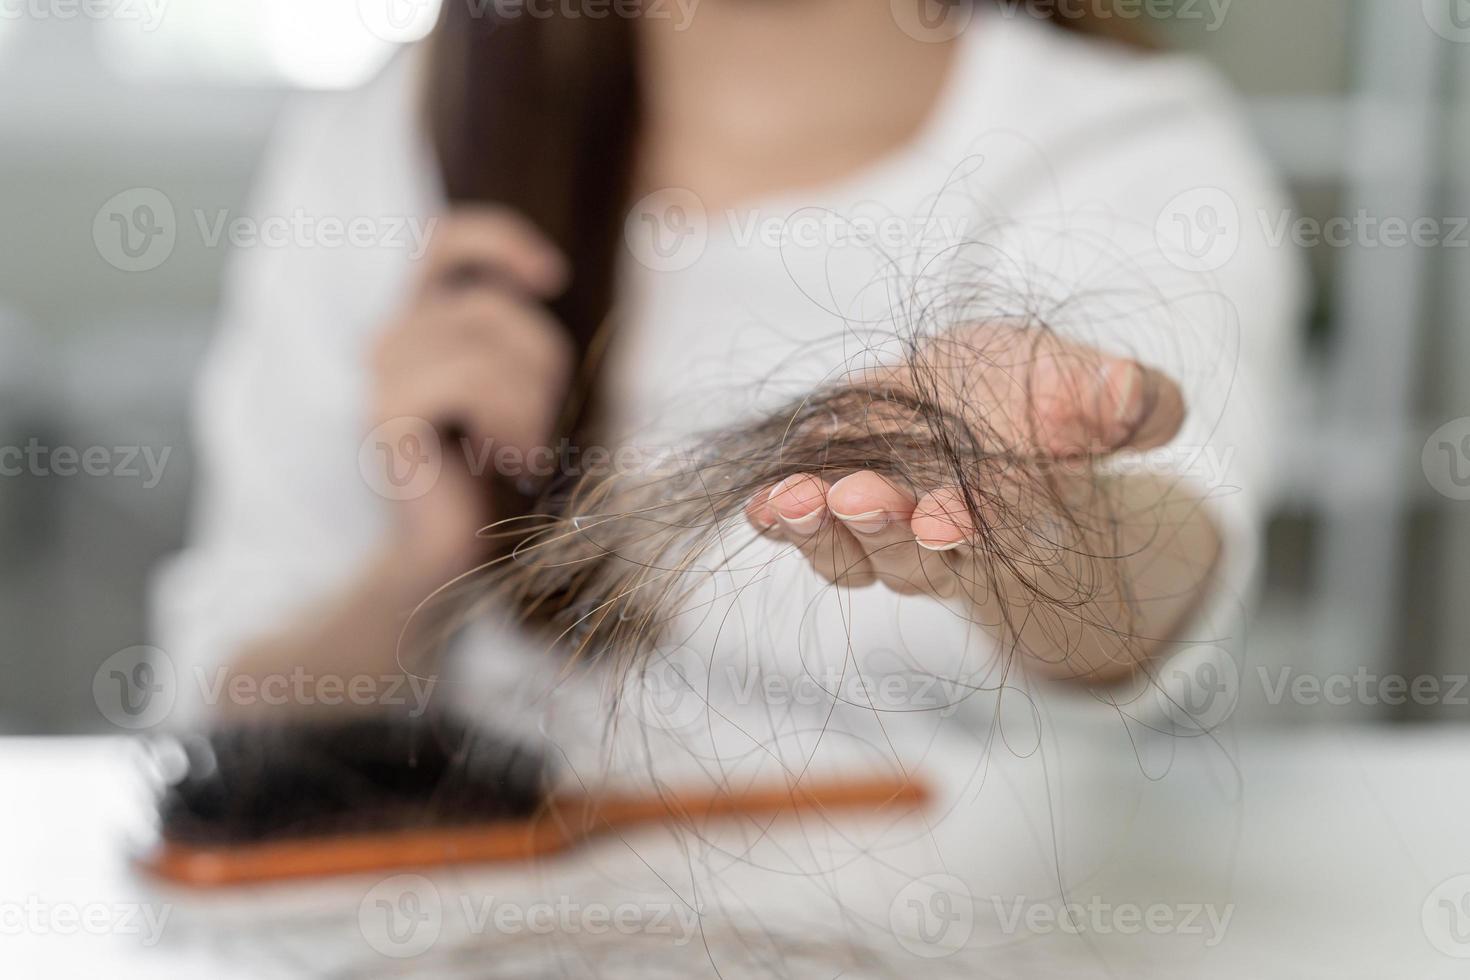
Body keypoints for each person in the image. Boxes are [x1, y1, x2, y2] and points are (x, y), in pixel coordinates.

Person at [151, 0, 1303, 736]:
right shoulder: (391, 139)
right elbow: (219, 707)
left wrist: (1047, 526)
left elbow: (1163, 594)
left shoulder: (1126, 148)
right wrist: (420, 568)